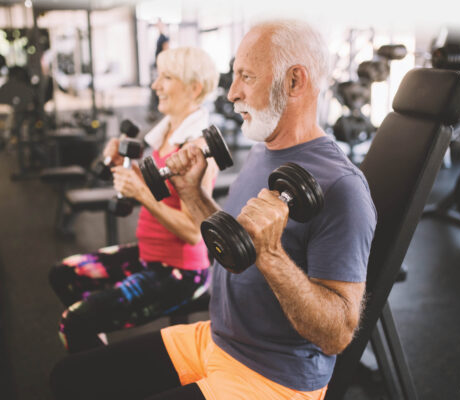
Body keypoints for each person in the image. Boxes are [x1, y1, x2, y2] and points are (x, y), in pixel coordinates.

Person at [50, 19, 376, 400]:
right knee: (69, 378)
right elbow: (230, 244)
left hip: (273, 376)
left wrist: (271, 255)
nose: (233, 92)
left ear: (294, 82)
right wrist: (191, 193)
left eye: (246, 77)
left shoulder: (342, 187)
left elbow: (337, 334)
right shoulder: (264, 151)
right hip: (216, 339)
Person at [48, 46, 220, 354]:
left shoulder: (197, 148)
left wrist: (140, 192)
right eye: (158, 76)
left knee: (75, 323)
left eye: (166, 77)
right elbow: (161, 187)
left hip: (179, 272)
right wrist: (124, 167)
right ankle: (98, 355)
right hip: (148, 254)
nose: (155, 86)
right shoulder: (167, 131)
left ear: (194, 88)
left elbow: (194, 232)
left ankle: (101, 373)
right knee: (63, 274)